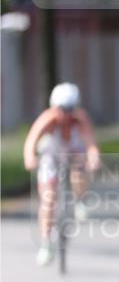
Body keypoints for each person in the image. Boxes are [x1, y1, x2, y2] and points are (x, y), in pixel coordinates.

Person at [22, 83, 101, 266]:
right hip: (51, 154)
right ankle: (46, 243)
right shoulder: (47, 119)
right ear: (53, 106)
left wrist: (94, 158)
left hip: (73, 151)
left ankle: (80, 200)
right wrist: (30, 158)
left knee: (80, 165)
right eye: (61, 109)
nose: (65, 114)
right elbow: (31, 140)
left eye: (70, 109)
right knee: (48, 200)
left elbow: (90, 143)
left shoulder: (80, 119)